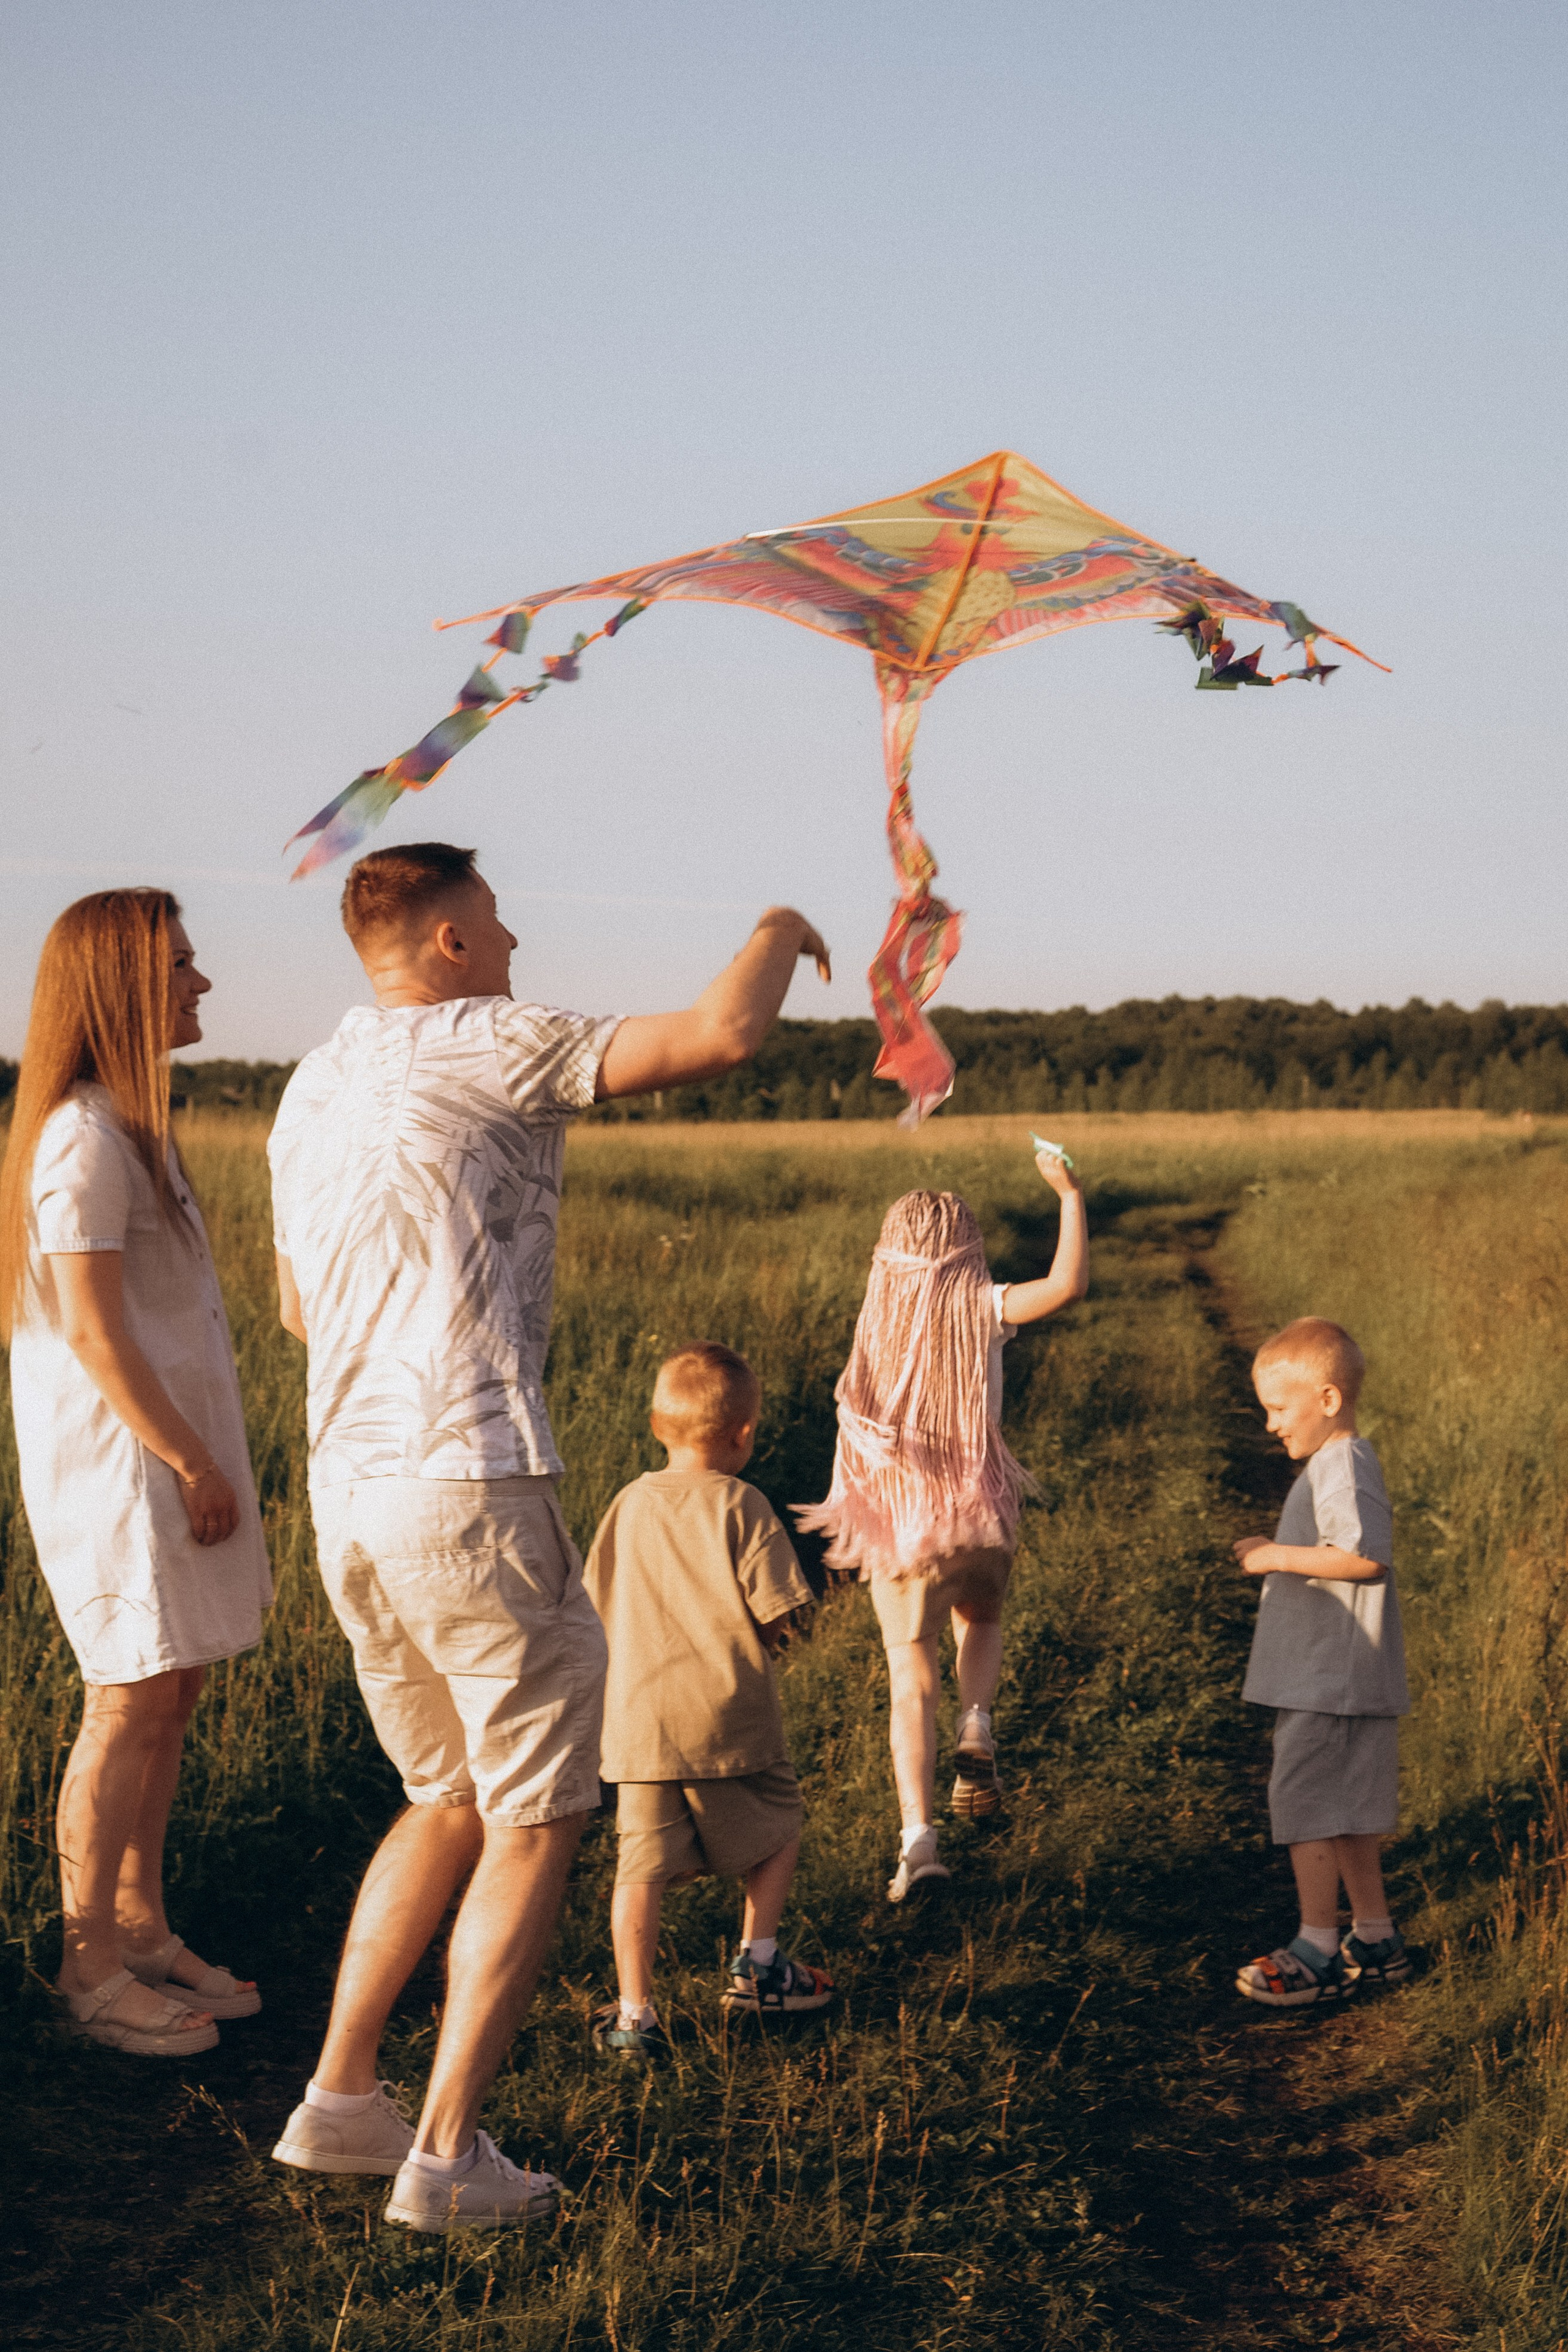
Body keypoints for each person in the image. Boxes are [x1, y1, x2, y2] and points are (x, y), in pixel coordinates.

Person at [266, 842, 830, 2233]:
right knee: (536, 1815)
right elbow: (724, 1032)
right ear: (447, 942)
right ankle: (446, 2154)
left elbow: (294, 1309)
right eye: (497, 922)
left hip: (348, 1487)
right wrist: (779, 921)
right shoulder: (486, 1036)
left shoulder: (311, 1083)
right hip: (468, 1477)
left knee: (445, 1793)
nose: (516, 944)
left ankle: (340, 2098)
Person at [0, 889, 272, 2058]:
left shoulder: (131, 1129)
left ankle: (141, 1927)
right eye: (181, 966)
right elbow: (93, 1330)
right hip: (124, 1469)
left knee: (172, 1688)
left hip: (161, 1456)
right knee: (124, 1698)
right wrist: (191, 1459)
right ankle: (88, 1966)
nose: (201, 984)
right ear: (121, 985)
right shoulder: (79, 1139)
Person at [797, 1149, 1088, 1903]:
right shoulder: (982, 1307)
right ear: (969, 1251)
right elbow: (1065, 1286)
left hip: (903, 1531)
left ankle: (918, 1841)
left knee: (910, 1679)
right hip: (980, 1517)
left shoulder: (878, 1322)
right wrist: (1068, 1195)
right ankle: (978, 1722)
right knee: (981, 1621)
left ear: (886, 1255)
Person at [581, 1343, 831, 2059]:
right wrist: (766, 1644)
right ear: (743, 1433)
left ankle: (635, 2016)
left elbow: (593, 1607)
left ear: (655, 1425)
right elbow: (778, 1612)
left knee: (640, 1866)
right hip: (730, 1711)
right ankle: (758, 1964)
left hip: (639, 1721)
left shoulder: (627, 1504)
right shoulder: (742, 1503)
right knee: (778, 1825)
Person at [1232, 1317, 1411, 2007]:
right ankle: (1375, 1938)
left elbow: (1363, 1557)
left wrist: (1275, 1556)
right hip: (1340, 1675)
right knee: (1348, 1812)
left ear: (1328, 1399)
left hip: (1327, 1681)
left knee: (1305, 1804)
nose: (1271, 1424)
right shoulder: (1341, 1462)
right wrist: (1276, 1548)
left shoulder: (1341, 1465)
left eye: (1280, 1408)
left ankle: (1316, 1949)